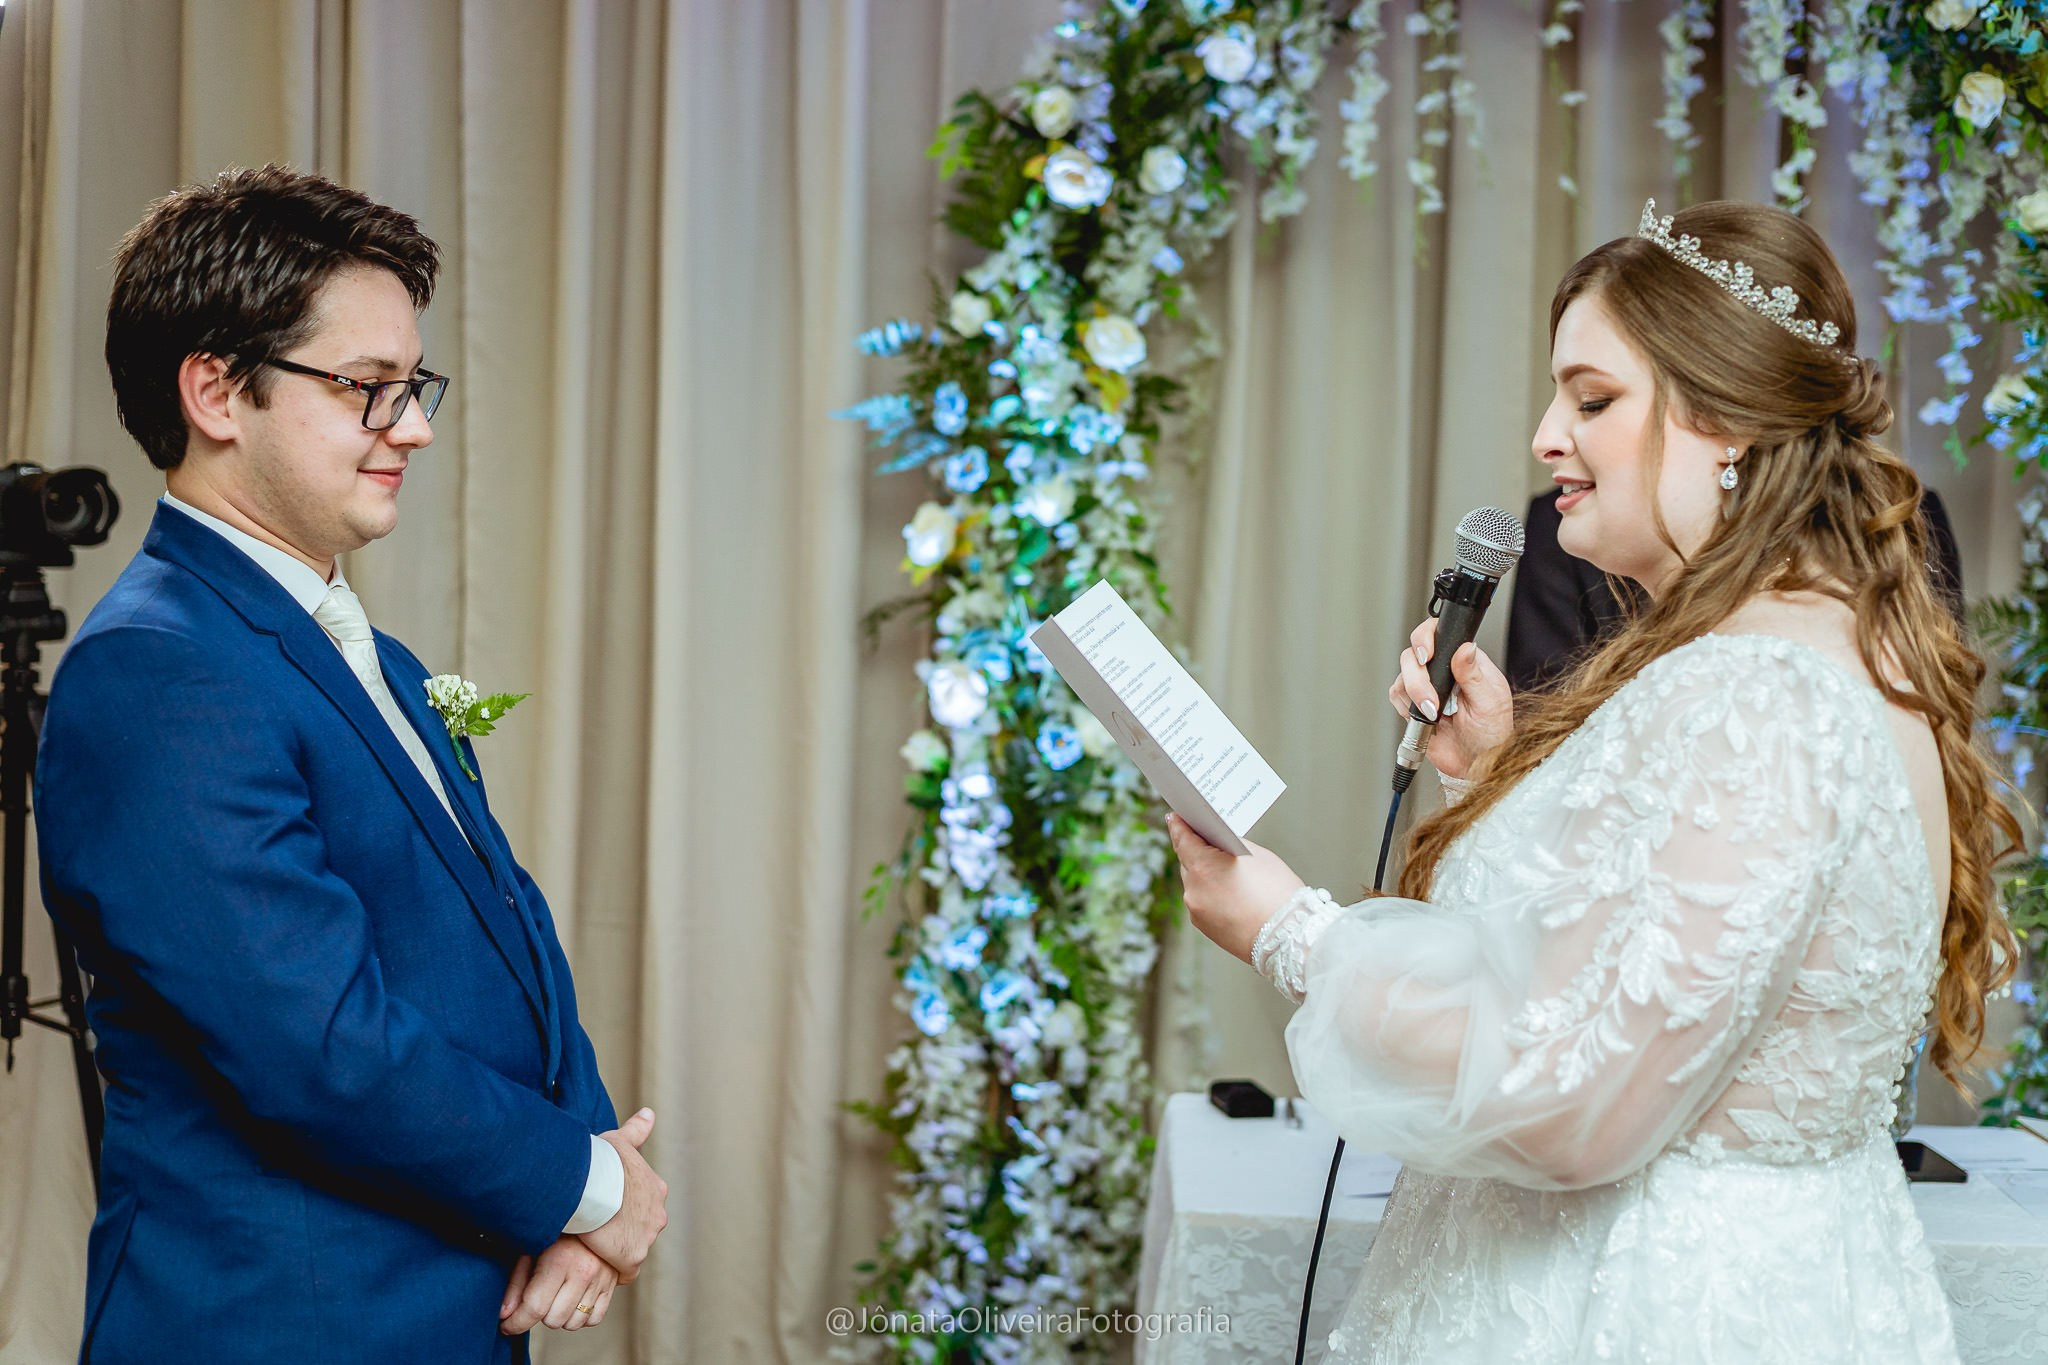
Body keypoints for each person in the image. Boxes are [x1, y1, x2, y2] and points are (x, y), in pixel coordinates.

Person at [1168, 199, 2018, 1363]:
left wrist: (1287, 936)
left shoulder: (1750, 698)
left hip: (1647, 1307)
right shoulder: (1788, 659)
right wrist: (1496, 778)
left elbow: (1573, 1101)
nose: (1543, 437)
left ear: (1723, 420)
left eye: (1592, 399)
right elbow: (1623, 982)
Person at [36, 166, 669, 1363]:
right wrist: (583, 1187)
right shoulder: (157, 672)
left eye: (413, 385)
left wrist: (591, 1163)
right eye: (368, 389)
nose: (415, 426)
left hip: (439, 1300)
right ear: (218, 390)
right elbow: (315, 1043)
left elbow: (503, 926)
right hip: (289, 1321)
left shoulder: (362, 647)